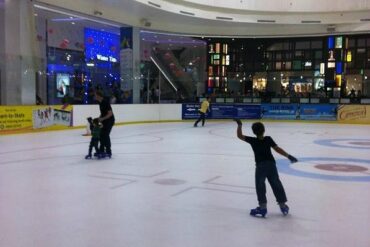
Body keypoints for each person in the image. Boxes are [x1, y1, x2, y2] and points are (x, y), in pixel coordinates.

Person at [233, 119, 298, 217]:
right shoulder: (268, 139)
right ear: (264, 130)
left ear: (254, 132)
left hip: (260, 166)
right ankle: (283, 205)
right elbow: (277, 149)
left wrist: (239, 125)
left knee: (260, 185)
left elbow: (240, 136)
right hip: (271, 165)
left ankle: (263, 208)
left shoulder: (253, 140)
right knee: (276, 184)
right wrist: (288, 156)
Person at [95, 90, 115, 158]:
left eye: (96, 95)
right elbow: (103, 112)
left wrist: (102, 119)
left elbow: (110, 114)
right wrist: (99, 117)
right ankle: (102, 150)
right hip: (105, 120)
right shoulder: (100, 103)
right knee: (101, 135)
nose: (95, 97)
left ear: (99, 96)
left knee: (105, 135)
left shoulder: (105, 102)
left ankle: (108, 151)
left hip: (110, 121)